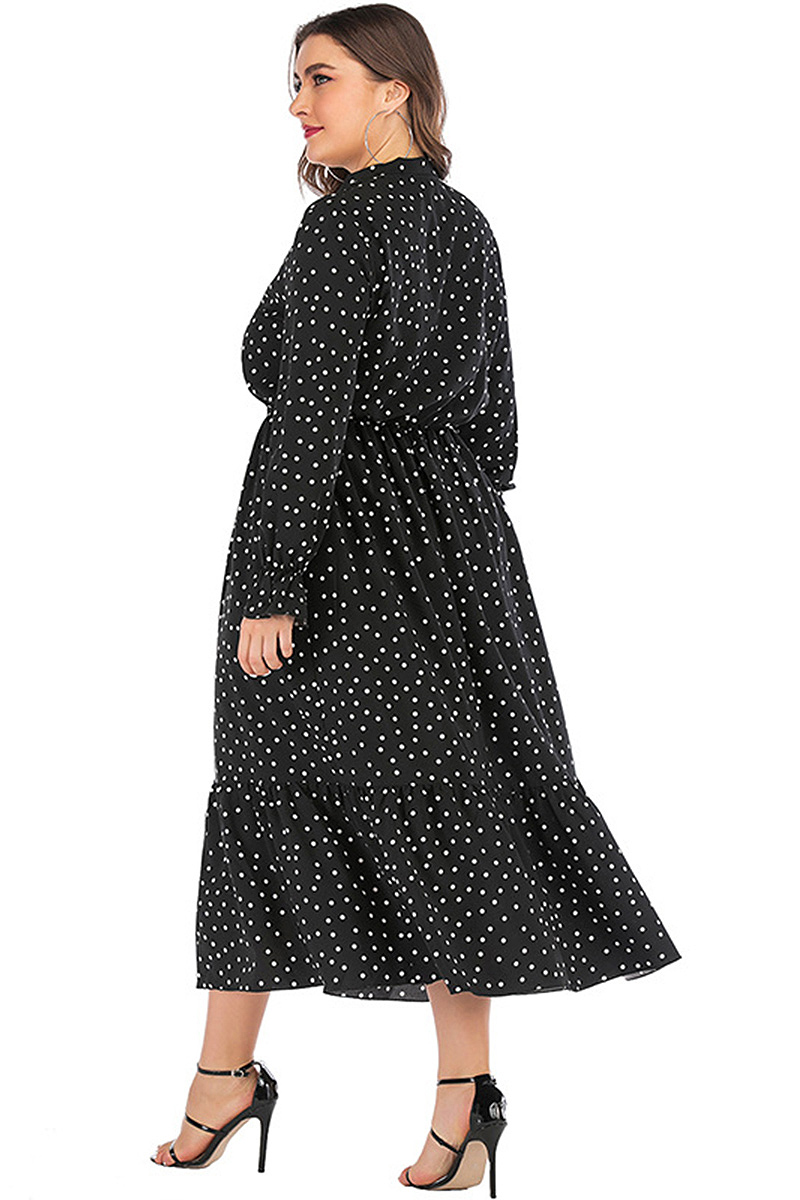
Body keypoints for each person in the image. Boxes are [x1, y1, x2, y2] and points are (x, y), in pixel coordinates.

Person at [150, 4, 682, 1191]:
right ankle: (462, 1102)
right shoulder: (464, 222)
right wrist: (452, 525)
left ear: (394, 88)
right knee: (446, 808)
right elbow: (498, 427)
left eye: (320, 78)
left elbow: (307, 415)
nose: (297, 103)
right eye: (296, 81)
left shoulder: (343, 225)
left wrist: (271, 584)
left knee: (269, 792)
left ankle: (223, 1080)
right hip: (457, 549)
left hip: (335, 548)